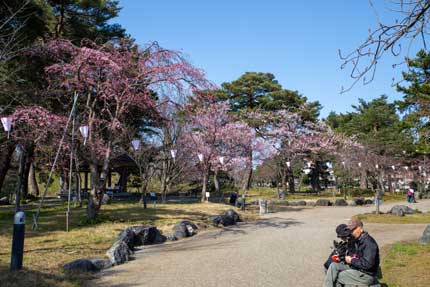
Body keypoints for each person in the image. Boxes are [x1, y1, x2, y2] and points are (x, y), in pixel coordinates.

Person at [323, 218, 380, 287]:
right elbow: (356, 256)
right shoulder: (358, 240)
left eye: (353, 230)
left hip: (366, 274)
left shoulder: (369, 243)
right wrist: (343, 258)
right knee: (333, 266)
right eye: (350, 230)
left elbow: (368, 264)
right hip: (357, 268)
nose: (351, 232)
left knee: (340, 275)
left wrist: (351, 260)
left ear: (360, 229)